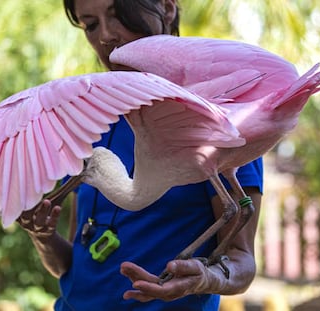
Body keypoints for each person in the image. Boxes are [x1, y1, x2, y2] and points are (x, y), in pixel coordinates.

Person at [18, 0, 263, 310]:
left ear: (167, 8)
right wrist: (42, 236)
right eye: (90, 25)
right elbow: (72, 264)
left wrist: (204, 278)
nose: (106, 36)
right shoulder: (90, 121)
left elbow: (242, 263)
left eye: (119, 14)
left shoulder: (216, 114)